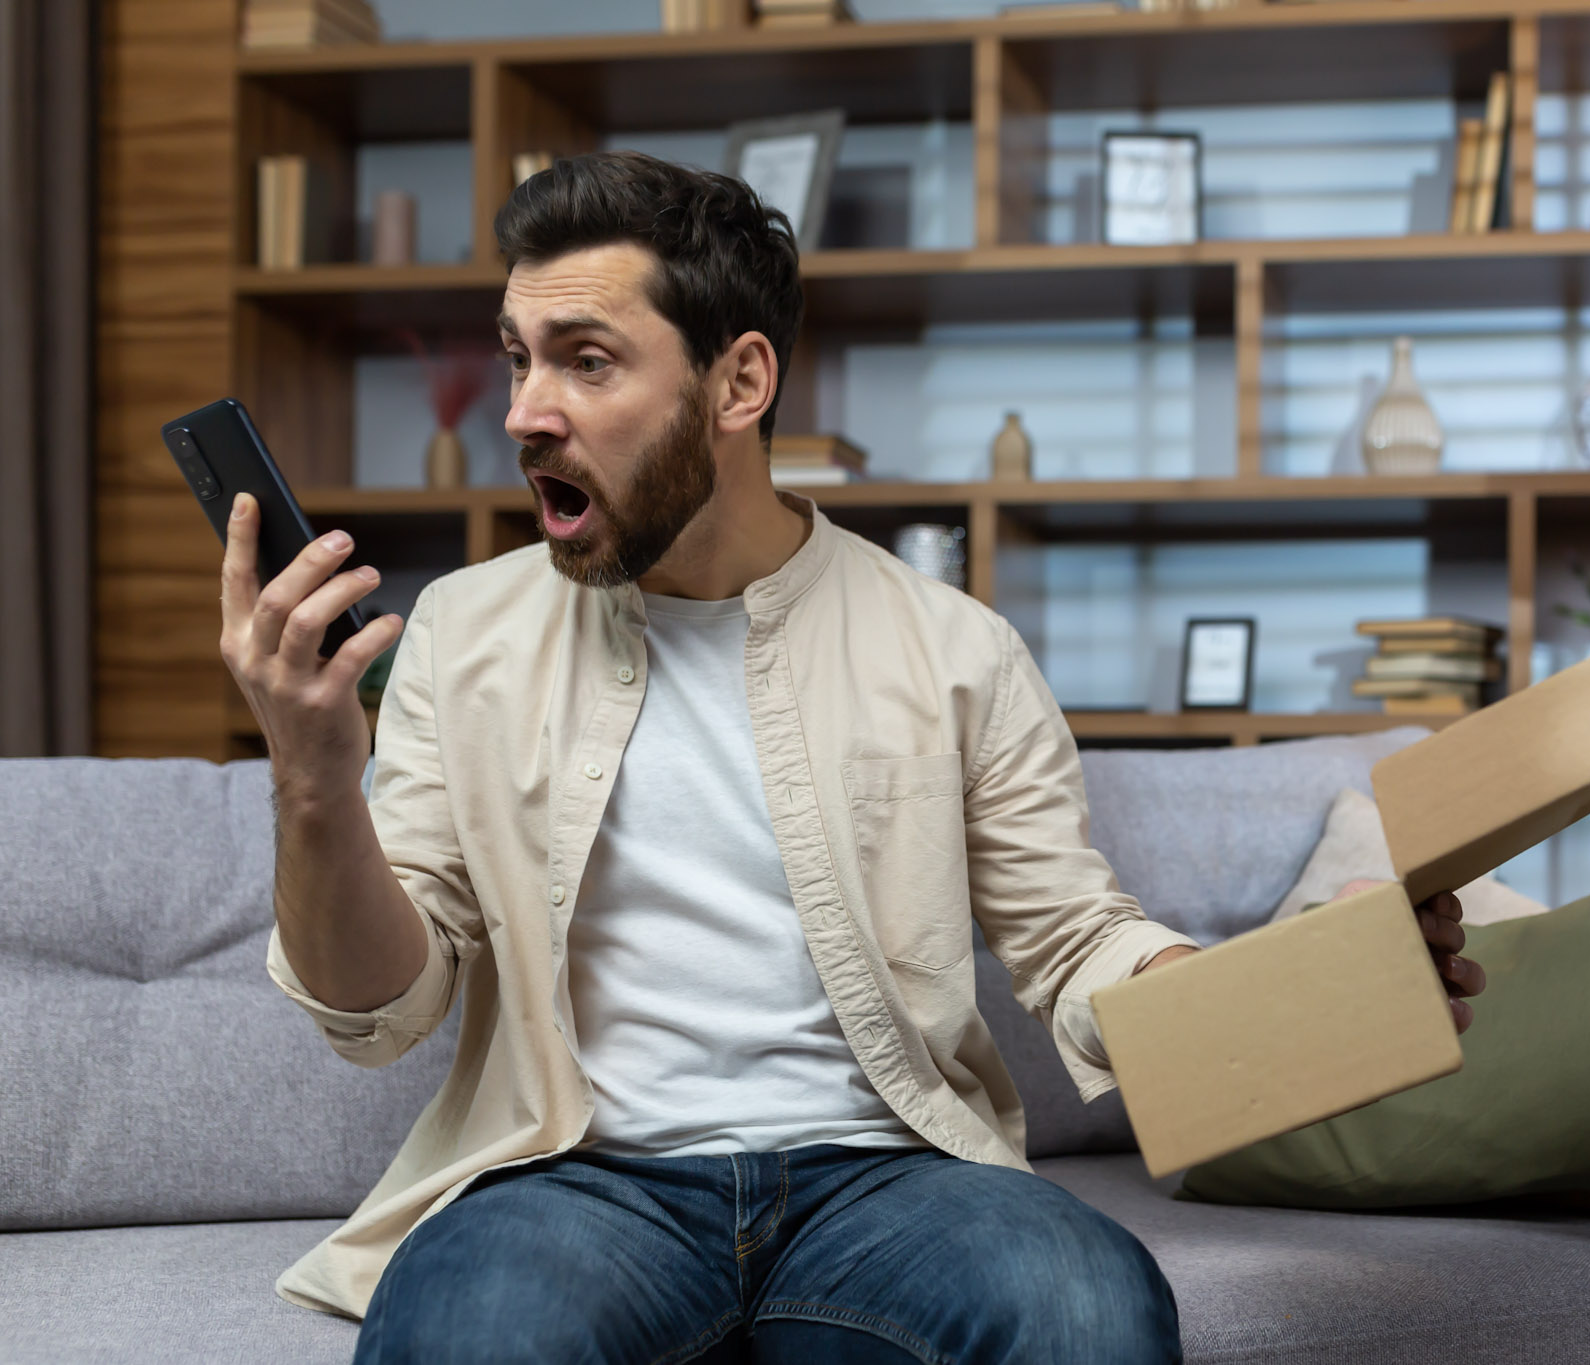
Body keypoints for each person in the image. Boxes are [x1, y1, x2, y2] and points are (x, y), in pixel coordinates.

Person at [218, 150, 1485, 1365]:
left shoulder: (955, 648)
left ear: (738, 383)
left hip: (887, 1179)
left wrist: (1290, 982)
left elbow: (1070, 938)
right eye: (518, 361)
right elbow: (383, 1013)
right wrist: (315, 780)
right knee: (463, 1335)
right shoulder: (463, 632)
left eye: (586, 363)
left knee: (1085, 1308)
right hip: (578, 1181)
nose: (524, 414)